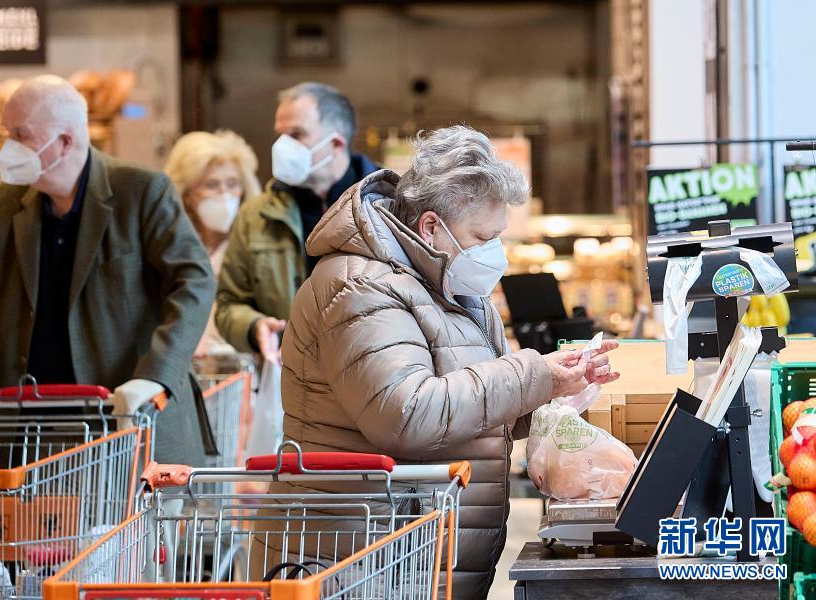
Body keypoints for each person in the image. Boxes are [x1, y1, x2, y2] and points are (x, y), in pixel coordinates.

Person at [273, 125, 619, 598]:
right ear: (431, 226)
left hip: (419, 557)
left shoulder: (450, 287)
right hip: (358, 562)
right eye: (483, 236)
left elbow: (471, 407)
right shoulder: (358, 286)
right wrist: (531, 374)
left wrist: (554, 388)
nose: (494, 253)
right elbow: (408, 414)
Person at [0, 75, 214, 465]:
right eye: (7, 133)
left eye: (21, 135)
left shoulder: (141, 191)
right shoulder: (3, 205)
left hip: (127, 421)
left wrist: (155, 375)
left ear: (65, 141)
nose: (8, 148)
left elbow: (193, 281)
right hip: (29, 434)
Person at [215, 82, 378, 359]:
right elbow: (229, 304)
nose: (282, 147)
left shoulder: (389, 207)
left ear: (336, 143)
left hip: (371, 374)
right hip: (292, 381)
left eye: (296, 134)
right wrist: (254, 327)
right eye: (280, 135)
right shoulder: (256, 217)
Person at [164, 130, 261, 356]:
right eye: (212, 185)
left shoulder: (252, 244)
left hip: (241, 366)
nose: (225, 194)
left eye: (232, 183)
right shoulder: (172, 245)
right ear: (187, 194)